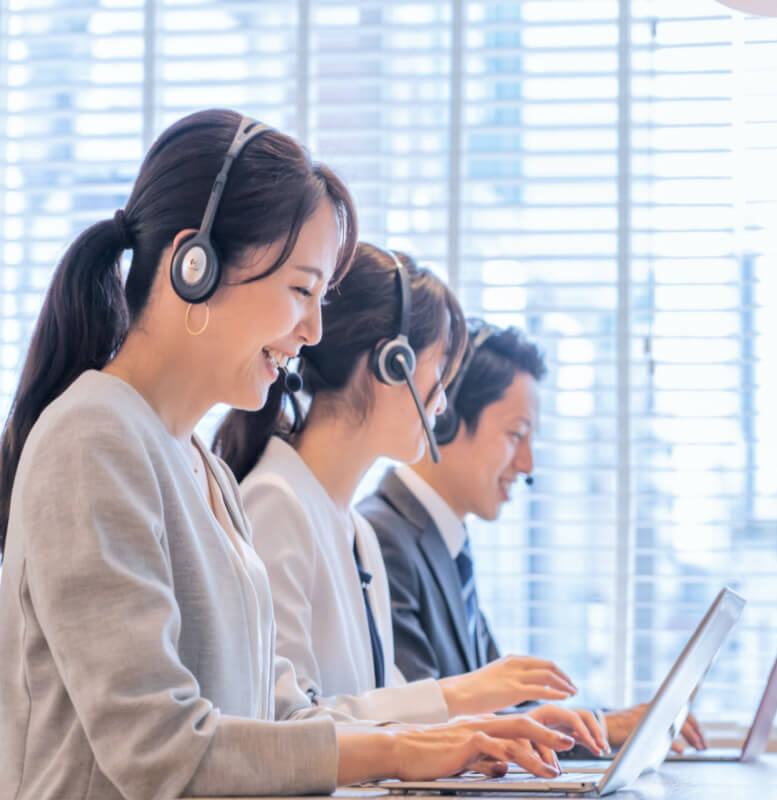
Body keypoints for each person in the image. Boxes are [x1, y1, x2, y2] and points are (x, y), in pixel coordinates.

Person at [0, 109, 572, 800]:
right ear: (195, 266)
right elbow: (157, 750)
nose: (314, 329)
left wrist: (434, 745)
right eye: (302, 290)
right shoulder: (94, 438)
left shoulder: (201, 468)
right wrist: (401, 749)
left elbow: (280, 717)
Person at [213, 243, 606, 757]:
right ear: (390, 365)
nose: (441, 402)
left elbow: (386, 705)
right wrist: (467, 694)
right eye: (439, 372)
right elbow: (286, 728)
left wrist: (503, 726)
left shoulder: (354, 529)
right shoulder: (274, 503)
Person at [358, 320, 708, 753]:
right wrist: (602, 725)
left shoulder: (445, 543)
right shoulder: (380, 537)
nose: (526, 465)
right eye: (515, 435)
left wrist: (609, 727)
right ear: (445, 417)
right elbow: (426, 725)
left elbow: (505, 710)